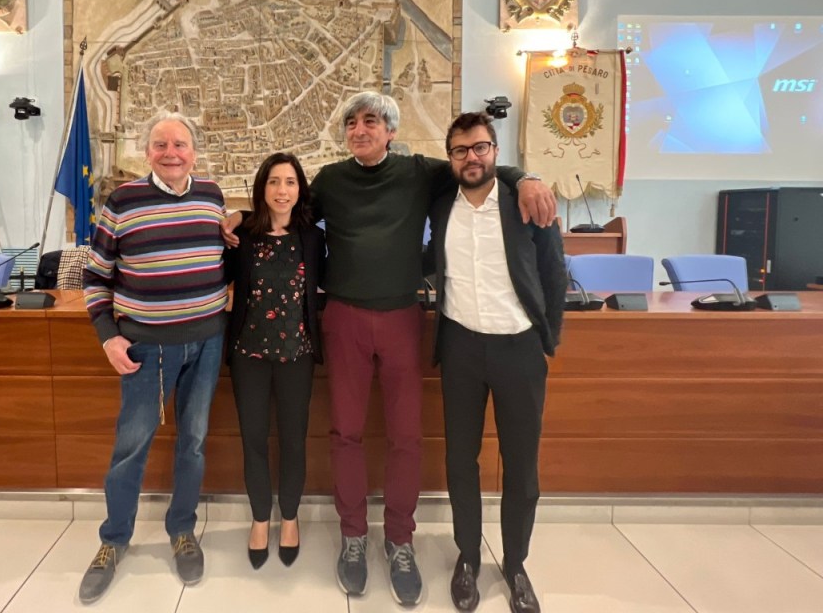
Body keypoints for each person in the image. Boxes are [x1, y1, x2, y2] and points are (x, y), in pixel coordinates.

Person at [223, 91, 556, 606]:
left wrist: (526, 177)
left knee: (405, 437)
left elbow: (477, 166)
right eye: (352, 123)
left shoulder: (419, 172)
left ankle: (400, 540)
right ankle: (353, 536)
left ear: (391, 131)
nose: (360, 130)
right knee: (346, 433)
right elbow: (285, 210)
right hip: (345, 319)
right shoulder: (331, 179)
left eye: (371, 121)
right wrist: (237, 217)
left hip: (403, 318)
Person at [78, 113, 228, 604]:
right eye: (160, 144)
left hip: (207, 342)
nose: (171, 153)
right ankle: (113, 539)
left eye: (180, 144)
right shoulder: (122, 202)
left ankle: (182, 530)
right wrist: (108, 337)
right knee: (131, 447)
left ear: (194, 153)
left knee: (194, 443)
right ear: (147, 152)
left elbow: (220, 258)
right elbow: (95, 277)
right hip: (146, 347)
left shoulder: (212, 197)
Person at [425, 112, 567, 613]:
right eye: (461, 150)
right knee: (460, 460)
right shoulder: (441, 204)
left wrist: (548, 337)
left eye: (481, 147)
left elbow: (554, 272)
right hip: (461, 346)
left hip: (518, 349)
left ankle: (516, 564)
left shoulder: (525, 202)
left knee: (521, 465)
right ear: (450, 158)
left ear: (495, 151)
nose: (472, 157)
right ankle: (467, 557)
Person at [223, 152, 326, 569]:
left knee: (293, 440)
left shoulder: (312, 238)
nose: (282, 190)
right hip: (248, 354)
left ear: (300, 189)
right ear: (261, 187)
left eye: (290, 182)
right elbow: (220, 276)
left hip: (296, 355)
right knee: (253, 439)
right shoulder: (242, 236)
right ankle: (260, 518)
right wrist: (236, 216)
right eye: (273, 182)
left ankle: (290, 517)